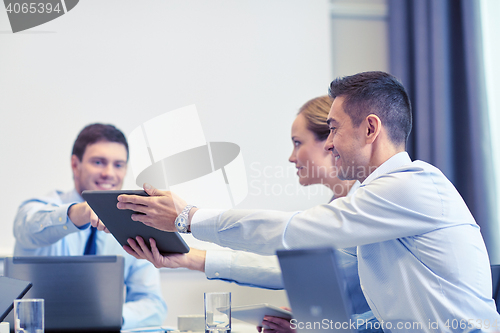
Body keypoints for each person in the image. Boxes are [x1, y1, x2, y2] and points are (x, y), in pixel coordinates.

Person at [109, 71, 499, 332]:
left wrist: (188, 217)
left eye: (333, 130)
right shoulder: (375, 204)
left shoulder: (410, 187)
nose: (329, 144)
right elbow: (382, 319)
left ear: (370, 128)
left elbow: (294, 232)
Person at [123, 97, 379, 333]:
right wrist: (188, 258)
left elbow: (275, 238)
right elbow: (287, 268)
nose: (291, 157)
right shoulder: (337, 206)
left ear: (329, 141)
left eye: (297, 143)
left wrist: (188, 217)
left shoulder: (366, 208)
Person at [13, 123, 167, 330]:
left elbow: (153, 305)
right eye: (98, 162)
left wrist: (104, 317)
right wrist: (81, 212)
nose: (109, 173)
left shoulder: (137, 224)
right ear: (75, 164)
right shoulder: (40, 208)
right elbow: (27, 226)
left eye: (119, 165)